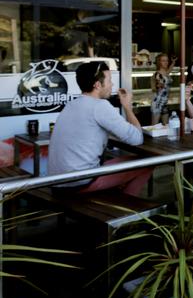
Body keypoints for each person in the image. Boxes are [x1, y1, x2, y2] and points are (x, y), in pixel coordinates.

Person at [49, 61, 153, 196]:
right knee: (147, 162)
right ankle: (126, 211)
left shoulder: (72, 104)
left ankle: (119, 200)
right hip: (79, 182)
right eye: (109, 80)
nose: (112, 85)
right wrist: (127, 107)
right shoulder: (100, 106)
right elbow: (136, 139)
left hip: (56, 183)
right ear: (97, 85)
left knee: (118, 164)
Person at [150, 53, 173, 125]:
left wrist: (173, 62)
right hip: (158, 102)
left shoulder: (166, 73)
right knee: (154, 126)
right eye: (163, 61)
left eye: (167, 60)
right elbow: (155, 88)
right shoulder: (157, 74)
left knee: (166, 126)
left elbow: (169, 70)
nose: (166, 62)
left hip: (164, 102)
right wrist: (158, 85)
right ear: (159, 62)